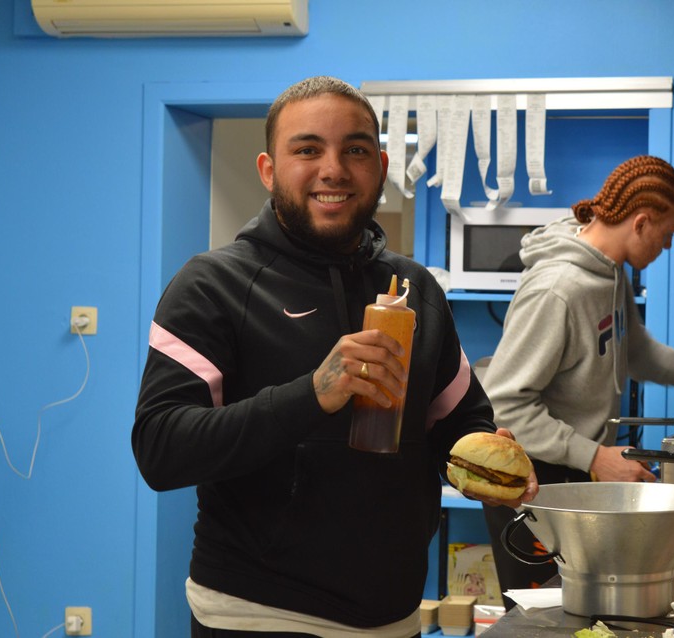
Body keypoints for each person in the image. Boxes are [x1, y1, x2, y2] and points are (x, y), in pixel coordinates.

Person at [131, 75, 537, 638]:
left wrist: (483, 459)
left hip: (394, 616)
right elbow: (161, 449)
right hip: (257, 616)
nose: (334, 169)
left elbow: (457, 421)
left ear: (381, 164)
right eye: (307, 149)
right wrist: (312, 394)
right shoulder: (212, 284)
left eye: (355, 149)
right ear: (269, 170)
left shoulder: (415, 288)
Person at [480, 155, 674, 607]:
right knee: (541, 620)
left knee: (588, 612)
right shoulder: (558, 289)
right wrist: (595, 457)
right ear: (641, 222)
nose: (666, 248)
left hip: (572, 468)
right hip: (530, 478)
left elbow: (634, 348)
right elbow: (504, 405)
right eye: (667, 236)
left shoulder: (610, 272)